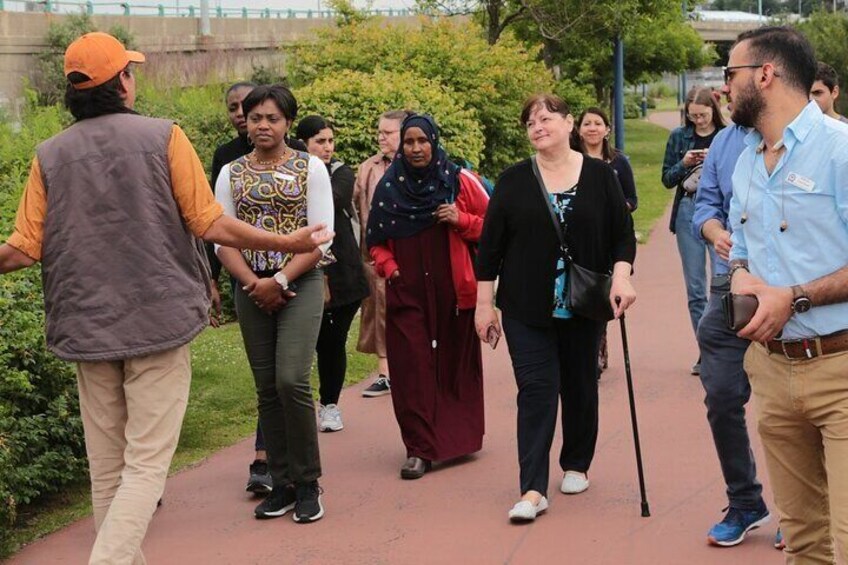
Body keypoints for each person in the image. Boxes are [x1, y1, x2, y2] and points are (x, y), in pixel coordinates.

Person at [0, 33, 330, 564]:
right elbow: (209, 222)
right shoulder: (164, 137)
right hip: (156, 320)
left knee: (108, 471)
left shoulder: (48, 154)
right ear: (121, 83)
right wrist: (284, 241)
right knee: (146, 465)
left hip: (85, 328)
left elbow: (22, 248)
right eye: (129, 71)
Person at [475, 94, 636, 523]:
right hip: (526, 307)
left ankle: (577, 462)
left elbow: (623, 236)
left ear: (569, 123)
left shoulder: (602, 176)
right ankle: (532, 488)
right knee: (536, 391)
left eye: (545, 118)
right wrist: (483, 306)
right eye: (529, 121)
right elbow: (489, 250)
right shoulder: (512, 180)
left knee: (580, 385)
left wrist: (621, 277)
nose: (536, 126)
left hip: (583, 303)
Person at [725, 26, 848, 562]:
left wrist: (793, 296)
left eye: (730, 74)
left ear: (765, 75)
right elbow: (741, 249)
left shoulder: (841, 151)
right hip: (773, 373)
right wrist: (740, 278)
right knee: (802, 538)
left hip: (840, 370)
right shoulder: (749, 156)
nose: (724, 88)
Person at [214, 85, 334, 523]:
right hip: (250, 288)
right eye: (255, 117)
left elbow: (322, 237)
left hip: (300, 281)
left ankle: (308, 483)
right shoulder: (230, 172)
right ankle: (280, 484)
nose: (263, 125)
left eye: (273, 118)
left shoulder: (311, 168)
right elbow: (220, 237)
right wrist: (254, 283)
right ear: (245, 121)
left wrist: (280, 279)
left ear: (287, 123)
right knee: (266, 388)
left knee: (291, 380)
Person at [366, 113, 489, 480]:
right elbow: (375, 241)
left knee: (453, 365)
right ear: (401, 146)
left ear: (434, 141)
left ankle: (457, 439)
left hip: (453, 289)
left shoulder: (458, 180)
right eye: (409, 142)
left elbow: (495, 228)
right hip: (407, 291)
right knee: (412, 368)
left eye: (423, 141)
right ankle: (418, 449)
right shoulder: (389, 188)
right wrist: (392, 269)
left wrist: (460, 219)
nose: (416, 148)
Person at [692, 111, 780, 547]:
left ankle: (802, 509)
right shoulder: (726, 143)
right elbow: (705, 203)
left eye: (734, 75)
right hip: (729, 291)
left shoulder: (818, 140)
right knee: (722, 398)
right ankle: (745, 501)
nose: (725, 89)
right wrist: (712, 230)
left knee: (790, 407)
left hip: (790, 293)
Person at [207, 80, 274, 495]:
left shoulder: (298, 159)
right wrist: (212, 280)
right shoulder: (224, 161)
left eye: (247, 107)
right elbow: (210, 221)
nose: (241, 115)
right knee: (263, 373)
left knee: (287, 376)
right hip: (242, 273)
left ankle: (267, 457)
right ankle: (271, 455)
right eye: (235, 109)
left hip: (290, 277)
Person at [295, 115, 369, 432]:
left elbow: (332, 199)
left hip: (343, 272)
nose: (327, 147)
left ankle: (329, 405)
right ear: (303, 145)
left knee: (332, 342)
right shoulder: (290, 172)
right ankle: (298, 407)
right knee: (307, 343)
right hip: (302, 268)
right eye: (319, 142)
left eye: (330, 141)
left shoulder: (340, 172)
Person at [662, 86, 725, 376]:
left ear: (714, 110)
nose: (698, 121)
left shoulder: (727, 137)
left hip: (719, 211)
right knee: (695, 287)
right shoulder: (679, 137)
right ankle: (706, 351)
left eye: (703, 115)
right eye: (693, 116)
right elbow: (666, 178)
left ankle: (723, 346)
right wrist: (684, 162)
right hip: (688, 208)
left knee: (722, 283)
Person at [573, 106, 638, 373]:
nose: (592, 128)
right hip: (579, 236)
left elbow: (632, 199)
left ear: (607, 130)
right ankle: (586, 348)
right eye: (587, 124)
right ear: (578, 129)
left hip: (609, 237)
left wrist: (617, 207)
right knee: (582, 289)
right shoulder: (571, 159)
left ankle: (598, 347)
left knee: (602, 292)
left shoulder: (618, 162)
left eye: (597, 123)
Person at [355, 109, 410, 397]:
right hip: (375, 252)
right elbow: (355, 206)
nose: (381, 137)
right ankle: (385, 373)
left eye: (388, 132)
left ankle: (416, 369)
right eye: (380, 131)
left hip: (412, 252)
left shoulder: (417, 164)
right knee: (378, 311)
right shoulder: (368, 168)